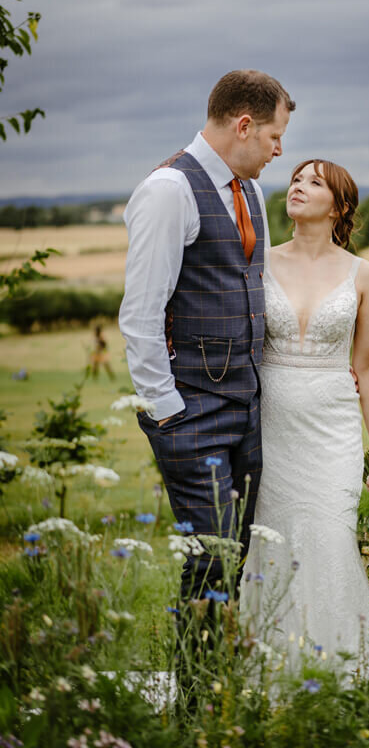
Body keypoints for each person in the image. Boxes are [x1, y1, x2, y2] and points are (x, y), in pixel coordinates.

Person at [119, 70, 295, 601]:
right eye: (273, 136)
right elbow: (140, 313)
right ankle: (199, 687)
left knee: (236, 557)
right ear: (244, 125)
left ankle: (222, 682)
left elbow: (251, 289)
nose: (279, 150)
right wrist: (166, 409)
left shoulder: (254, 192)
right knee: (211, 562)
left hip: (248, 408)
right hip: (191, 410)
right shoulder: (169, 190)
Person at [241, 158, 369, 669]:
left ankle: (345, 672)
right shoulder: (258, 259)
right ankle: (271, 670)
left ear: (341, 206)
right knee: (273, 544)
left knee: (330, 539)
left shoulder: (363, 274)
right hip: (268, 429)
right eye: (296, 179)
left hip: (332, 431)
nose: (299, 187)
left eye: (315, 182)